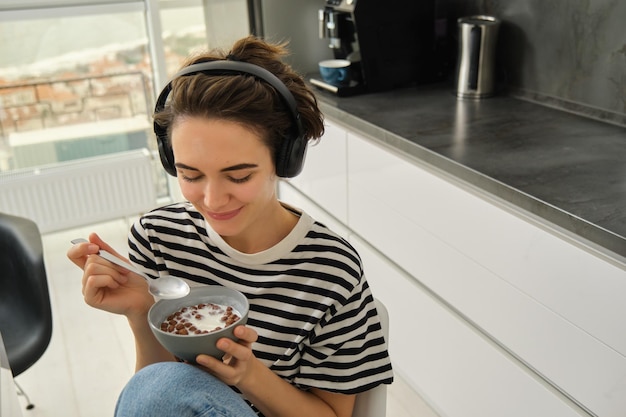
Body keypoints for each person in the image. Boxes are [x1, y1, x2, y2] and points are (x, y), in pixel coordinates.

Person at [67, 35, 393, 417]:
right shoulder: (158, 239)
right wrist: (140, 313)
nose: (212, 199)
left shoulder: (329, 269)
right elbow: (156, 396)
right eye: (190, 175)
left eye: (238, 177)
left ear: (285, 160)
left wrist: (249, 374)